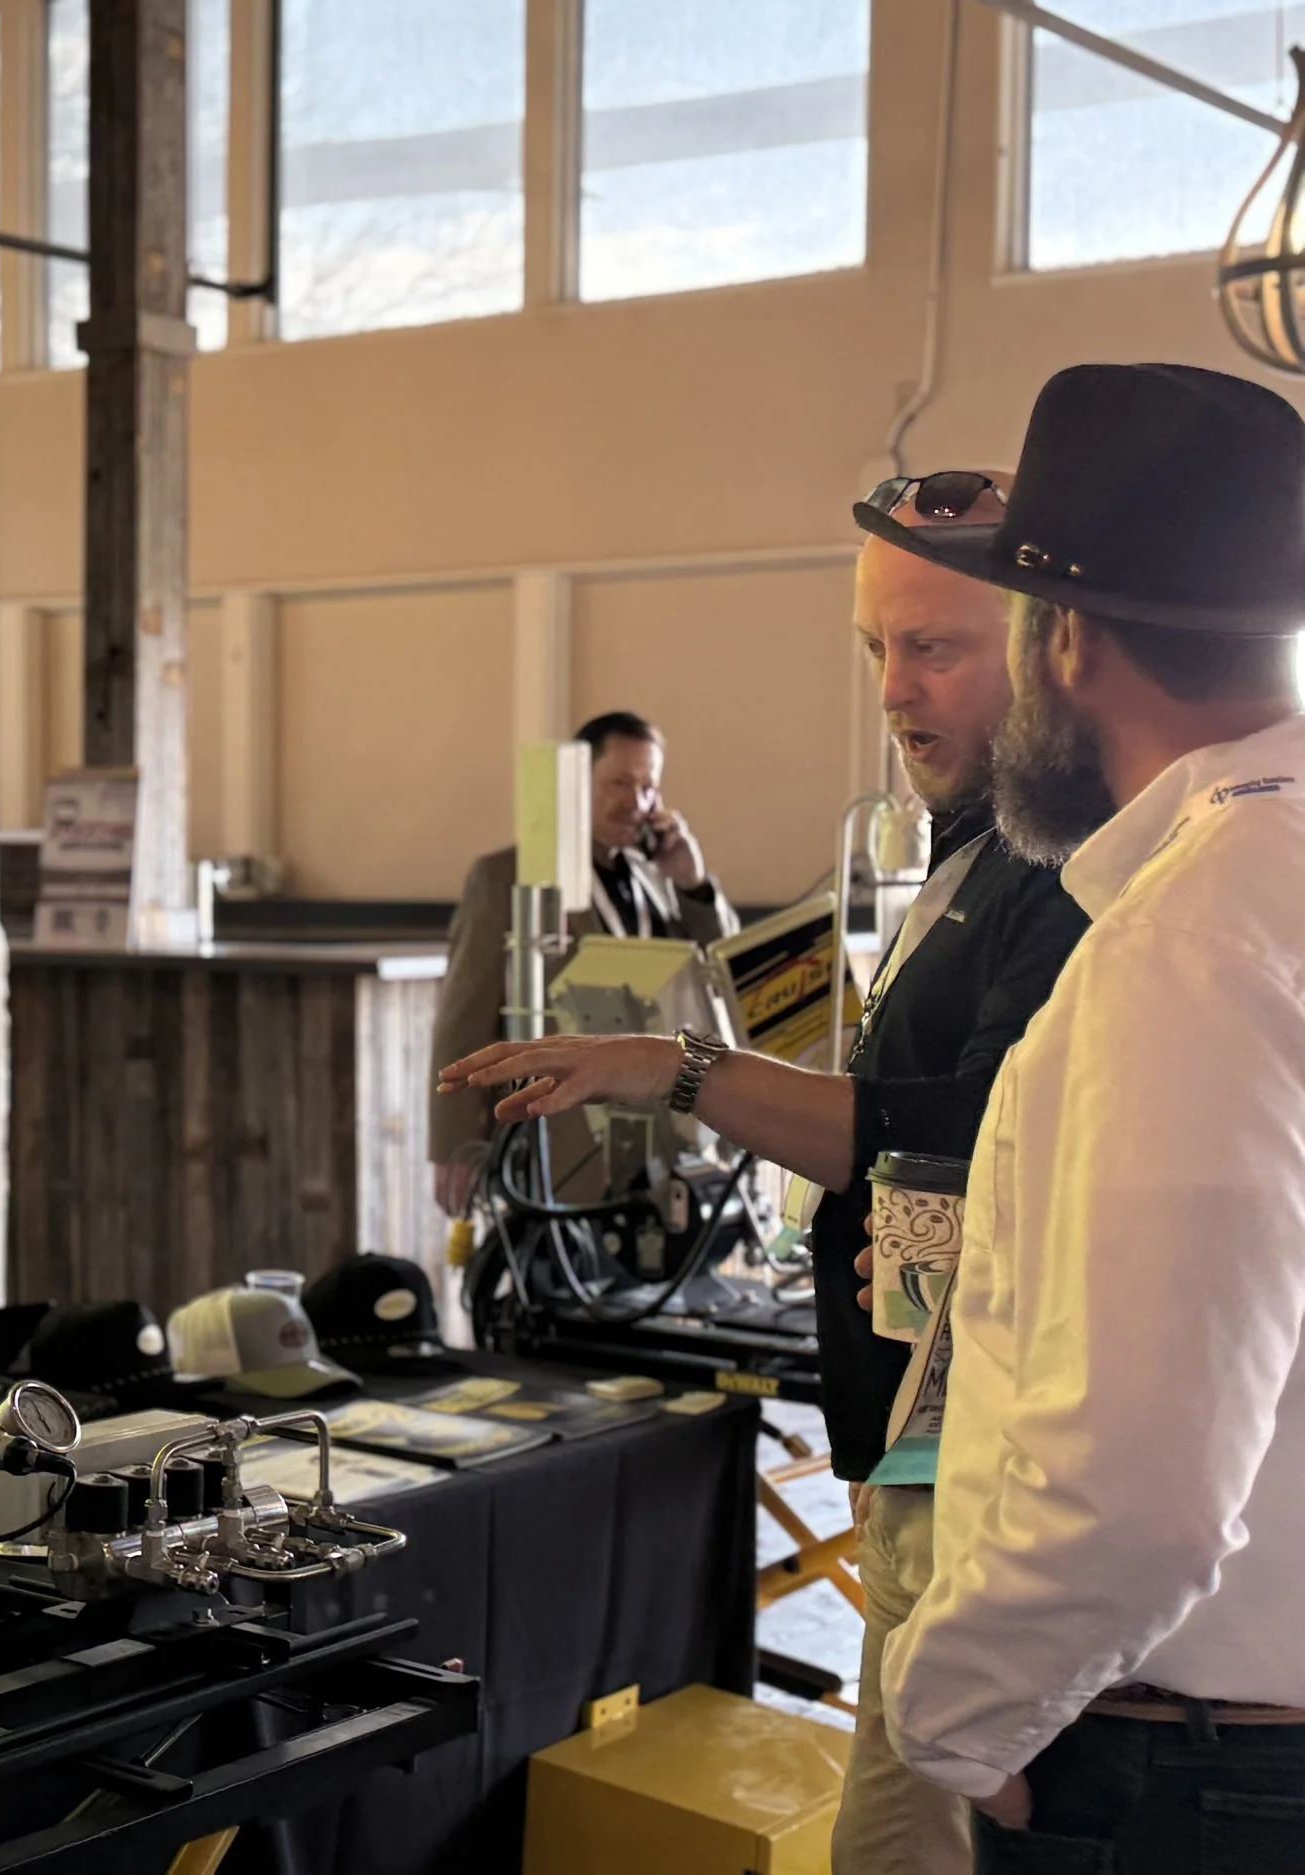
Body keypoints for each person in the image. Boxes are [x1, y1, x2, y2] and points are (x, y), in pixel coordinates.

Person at [436, 473, 1089, 1874]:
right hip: (918, 1438)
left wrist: (672, 1070)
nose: (895, 690)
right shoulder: (973, 850)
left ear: (1053, 645)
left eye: (936, 647)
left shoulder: (1059, 865)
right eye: (876, 649)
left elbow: (947, 1126)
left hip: (976, 1456)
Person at [865, 364, 1305, 1872]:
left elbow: (1141, 1488)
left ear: (1067, 641)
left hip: (1188, 1766)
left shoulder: (1196, 939)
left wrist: (954, 1719)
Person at [427, 710, 738, 1214]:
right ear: (577, 782)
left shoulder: (656, 877)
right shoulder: (507, 876)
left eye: (647, 787)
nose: (634, 803)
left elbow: (723, 975)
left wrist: (693, 884)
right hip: (558, 1136)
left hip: (657, 1136)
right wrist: (453, 1145)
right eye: (619, 783)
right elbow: (463, 1018)